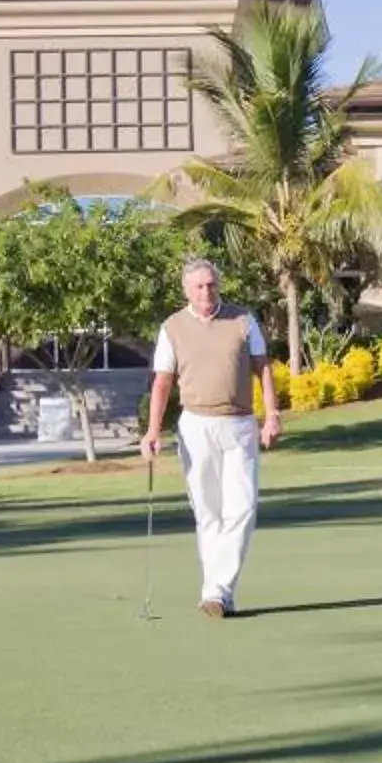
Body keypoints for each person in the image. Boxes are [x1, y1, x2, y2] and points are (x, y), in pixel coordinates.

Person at [141, 258, 280, 618]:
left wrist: (271, 416)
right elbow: (162, 382)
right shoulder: (172, 327)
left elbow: (262, 369)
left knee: (243, 508)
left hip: (239, 423)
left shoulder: (243, 320)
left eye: (211, 284)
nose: (207, 291)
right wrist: (153, 430)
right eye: (199, 286)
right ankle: (217, 593)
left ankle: (218, 590)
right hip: (196, 425)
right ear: (187, 290)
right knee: (207, 512)